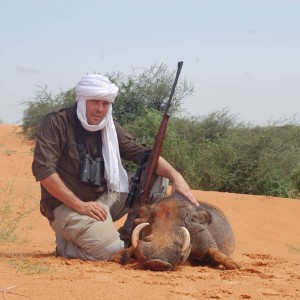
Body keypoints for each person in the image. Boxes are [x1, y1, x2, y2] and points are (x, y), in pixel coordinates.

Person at [32, 73, 198, 262]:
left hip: (104, 199)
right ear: (82, 100)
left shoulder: (109, 126)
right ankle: (66, 246)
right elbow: (43, 171)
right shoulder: (57, 122)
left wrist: (178, 177)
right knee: (113, 253)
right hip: (67, 206)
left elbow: (146, 156)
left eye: (105, 103)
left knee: (156, 173)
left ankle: (131, 236)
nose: (100, 109)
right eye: (95, 101)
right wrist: (80, 205)